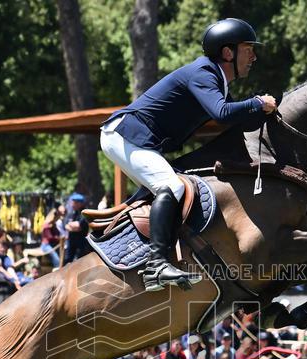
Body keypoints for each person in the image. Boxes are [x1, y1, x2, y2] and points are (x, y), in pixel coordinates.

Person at [100, 17, 276, 291]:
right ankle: (156, 265)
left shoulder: (216, 79)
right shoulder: (204, 73)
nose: (253, 56)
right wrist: (257, 103)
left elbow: (229, 118)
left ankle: (155, 253)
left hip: (137, 139)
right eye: (247, 48)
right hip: (124, 135)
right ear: (228, 52)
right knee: (170, 186)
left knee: (173, 188)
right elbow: (222, 113)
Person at [61, 193, 90, 264]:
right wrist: (72, 226)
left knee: (79, 263)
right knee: (67, 261)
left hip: (81, 244)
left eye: (74, 203)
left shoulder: (84, 213)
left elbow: (79, 226)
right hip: (71, 242)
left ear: (80, 203)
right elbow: (65, 225)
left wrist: (71, 226)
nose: (72, 204)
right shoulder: (73, 213)